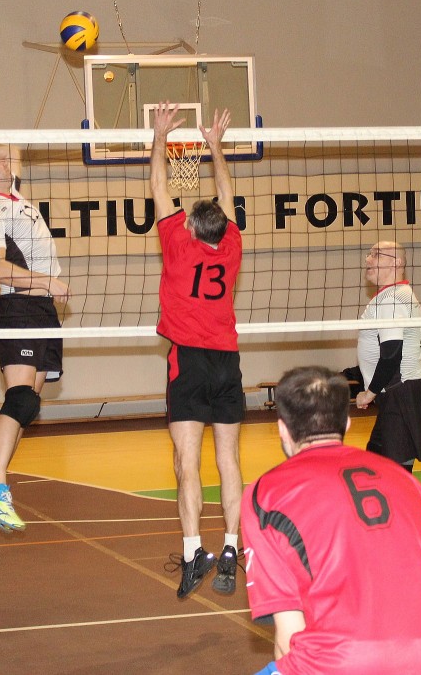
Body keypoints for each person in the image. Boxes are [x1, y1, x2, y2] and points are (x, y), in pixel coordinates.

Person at [242, 366, 421, 675]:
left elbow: (289, 637)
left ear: (282, 429)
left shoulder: (266, 495)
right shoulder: (406, 481)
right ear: (347, 424)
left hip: (344, 664)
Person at [150, 101, 244, 598]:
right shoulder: (231, 246)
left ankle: (192, 555)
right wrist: (215, 146)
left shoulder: (177, 244)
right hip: (227, 362)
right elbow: (227, 194)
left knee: (188, 463)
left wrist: (159, 137)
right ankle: (231, 547)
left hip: (188, 359)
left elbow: (159, 187)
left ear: (189, 227)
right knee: (228, 459)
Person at [0, 148, 69, 532]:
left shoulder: (15, 198)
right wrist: (47, 281)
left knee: (30, 405)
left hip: (42, 311)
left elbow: (14, 150)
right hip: (19, 308)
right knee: (20, 398)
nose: (4, 162)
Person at [354, 241, 421, 472]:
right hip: (396, 390)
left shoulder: (392, 300)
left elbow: (391, 354)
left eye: (376, 255)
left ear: (396, 263)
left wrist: (369, 393)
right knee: (375, 461)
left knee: (397, 471)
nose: (368, 259)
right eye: (369, 254)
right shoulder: (392, 295)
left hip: (399, 390)